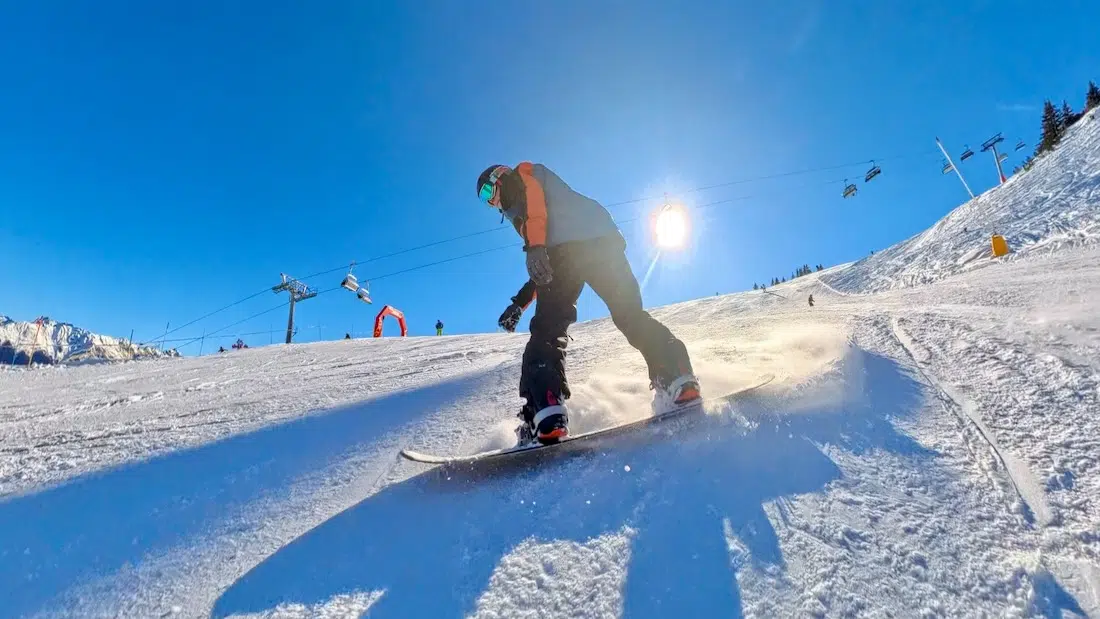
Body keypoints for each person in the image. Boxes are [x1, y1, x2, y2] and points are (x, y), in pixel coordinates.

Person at [476, 162, 699, 445]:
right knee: (630, 315)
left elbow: (540, 228)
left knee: (547, 333)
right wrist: (520, 303)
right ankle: (677, 374)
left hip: (567, 252)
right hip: (603, 242)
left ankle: (545, 411)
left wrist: (534, 247)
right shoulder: (536, 212)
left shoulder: (522, 179)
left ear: (499, 177)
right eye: (485, 200)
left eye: (487, 192)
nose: (492, 202)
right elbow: (542, 269)